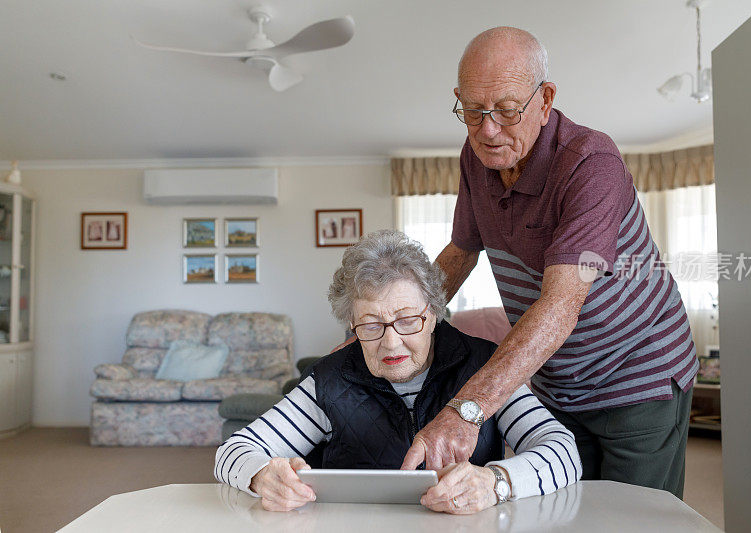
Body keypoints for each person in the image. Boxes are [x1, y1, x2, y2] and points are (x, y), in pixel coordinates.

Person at [401, 27, 698, 499]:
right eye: (473, 112)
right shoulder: (475, 157)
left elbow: (561, 304)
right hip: (558, 382)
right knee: (561, 506)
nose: (488, 129)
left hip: (637, 374)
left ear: (545, 99)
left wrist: (467, 409)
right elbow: (459, 253)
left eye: (506, 110)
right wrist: (399, 319)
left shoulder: (590, 162)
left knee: (635, 515)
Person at [215, 230, 581, 513]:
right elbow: (233, 450)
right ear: (352, 324)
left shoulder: (485, 367)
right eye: (371, 325)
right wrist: (261, 475)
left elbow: (565, 453)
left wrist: (496, 482)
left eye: (407, 321)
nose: (391, 344)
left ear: (434, 313)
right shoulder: (327, 381)